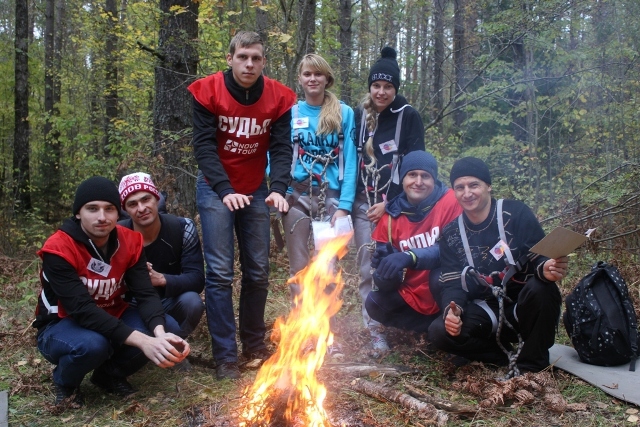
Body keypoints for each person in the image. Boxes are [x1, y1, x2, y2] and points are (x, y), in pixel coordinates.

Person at [187, 31, 297, 380]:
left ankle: (253, 344)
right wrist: (223, 189)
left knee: (258, 271)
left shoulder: (278, 97)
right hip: (214, 187)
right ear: (230, 58)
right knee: (220, 273)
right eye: (243, 56)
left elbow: (281, 147)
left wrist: (278, 187)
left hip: (255, 189)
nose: (249, 64)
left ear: (264, 61)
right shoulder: (207, 91)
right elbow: (204, 146)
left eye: (256, 58)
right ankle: (226, 357)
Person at [33, 177, 189, 407]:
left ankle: (109, 374)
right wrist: (143, 342)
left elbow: (145, 293)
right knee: (94, 344)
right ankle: (65, 383)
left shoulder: (130, 241)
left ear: (118, 214)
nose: (102, 217)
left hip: (113, 313)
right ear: (78, 213)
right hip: (61, 323)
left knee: (168, 327)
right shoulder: (59, 248)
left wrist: (157, 333)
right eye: (92, 209)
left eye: (109, 209)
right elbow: (82, 310)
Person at [428, 157, 568, 375]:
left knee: (543, 288)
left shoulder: (515, 213)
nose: (467, 193)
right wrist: (452, 311)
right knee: (438, 332)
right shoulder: (451, 233)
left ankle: (531, 364)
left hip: (523, 305)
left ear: (488, 186)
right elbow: (452, 282)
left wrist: (546, 268)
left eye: (474, 185)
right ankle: (501, 356)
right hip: (487, 310)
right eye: (460, 187)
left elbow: (539, 254)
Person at [282, 54, 357, 359]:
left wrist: (346, 205)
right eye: (307, 74)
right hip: (296, 197)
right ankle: (304, 333)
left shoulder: (343, 113)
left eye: (318, 75)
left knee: (327, 269)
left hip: (332, 200)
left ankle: (329, 334)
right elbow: (278, 152)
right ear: (299, 79)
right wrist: (280, 187)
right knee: (299, 269)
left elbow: (351, 159)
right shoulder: (291, 112)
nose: (312, 79)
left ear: (327, 79)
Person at [352, 46, 425, 354]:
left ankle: (403, 325)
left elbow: (415, 164)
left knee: (398, 268)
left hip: (397, 208)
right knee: (368, 267)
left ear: (396, 88)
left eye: (388, 86)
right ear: (370, 86)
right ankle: (374, 329)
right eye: (376, 85)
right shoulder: (359, 115)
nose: (381, 92)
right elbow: (349, 160)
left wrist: (390, 202)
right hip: (361, 205)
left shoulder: (408, 116)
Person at [366, 151, 462, 333]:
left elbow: (453, 250)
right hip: (413, 293)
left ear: (434, 180)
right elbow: (386, 284)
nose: (418, 182)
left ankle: (448, 324)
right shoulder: (388, 219)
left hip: (447, 288)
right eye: (412, 175)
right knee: (374, 302)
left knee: (438, 277)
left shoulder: (450, 202)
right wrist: (383, 270)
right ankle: (428, 329)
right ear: (402, 179)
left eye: (425, 176)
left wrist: (408, 256)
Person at [118, 172, 205, 343]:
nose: (141, 208)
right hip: (132, 303)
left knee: (193, 302)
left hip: (170, 299)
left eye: (146, 199)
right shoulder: (116, 236)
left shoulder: (182, 228)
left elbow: (197, 278)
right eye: (132, 204)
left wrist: (161, 279)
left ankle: (176, 342)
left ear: (157, 198)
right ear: (125, 209)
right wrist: (134, 279)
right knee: (166, 324)